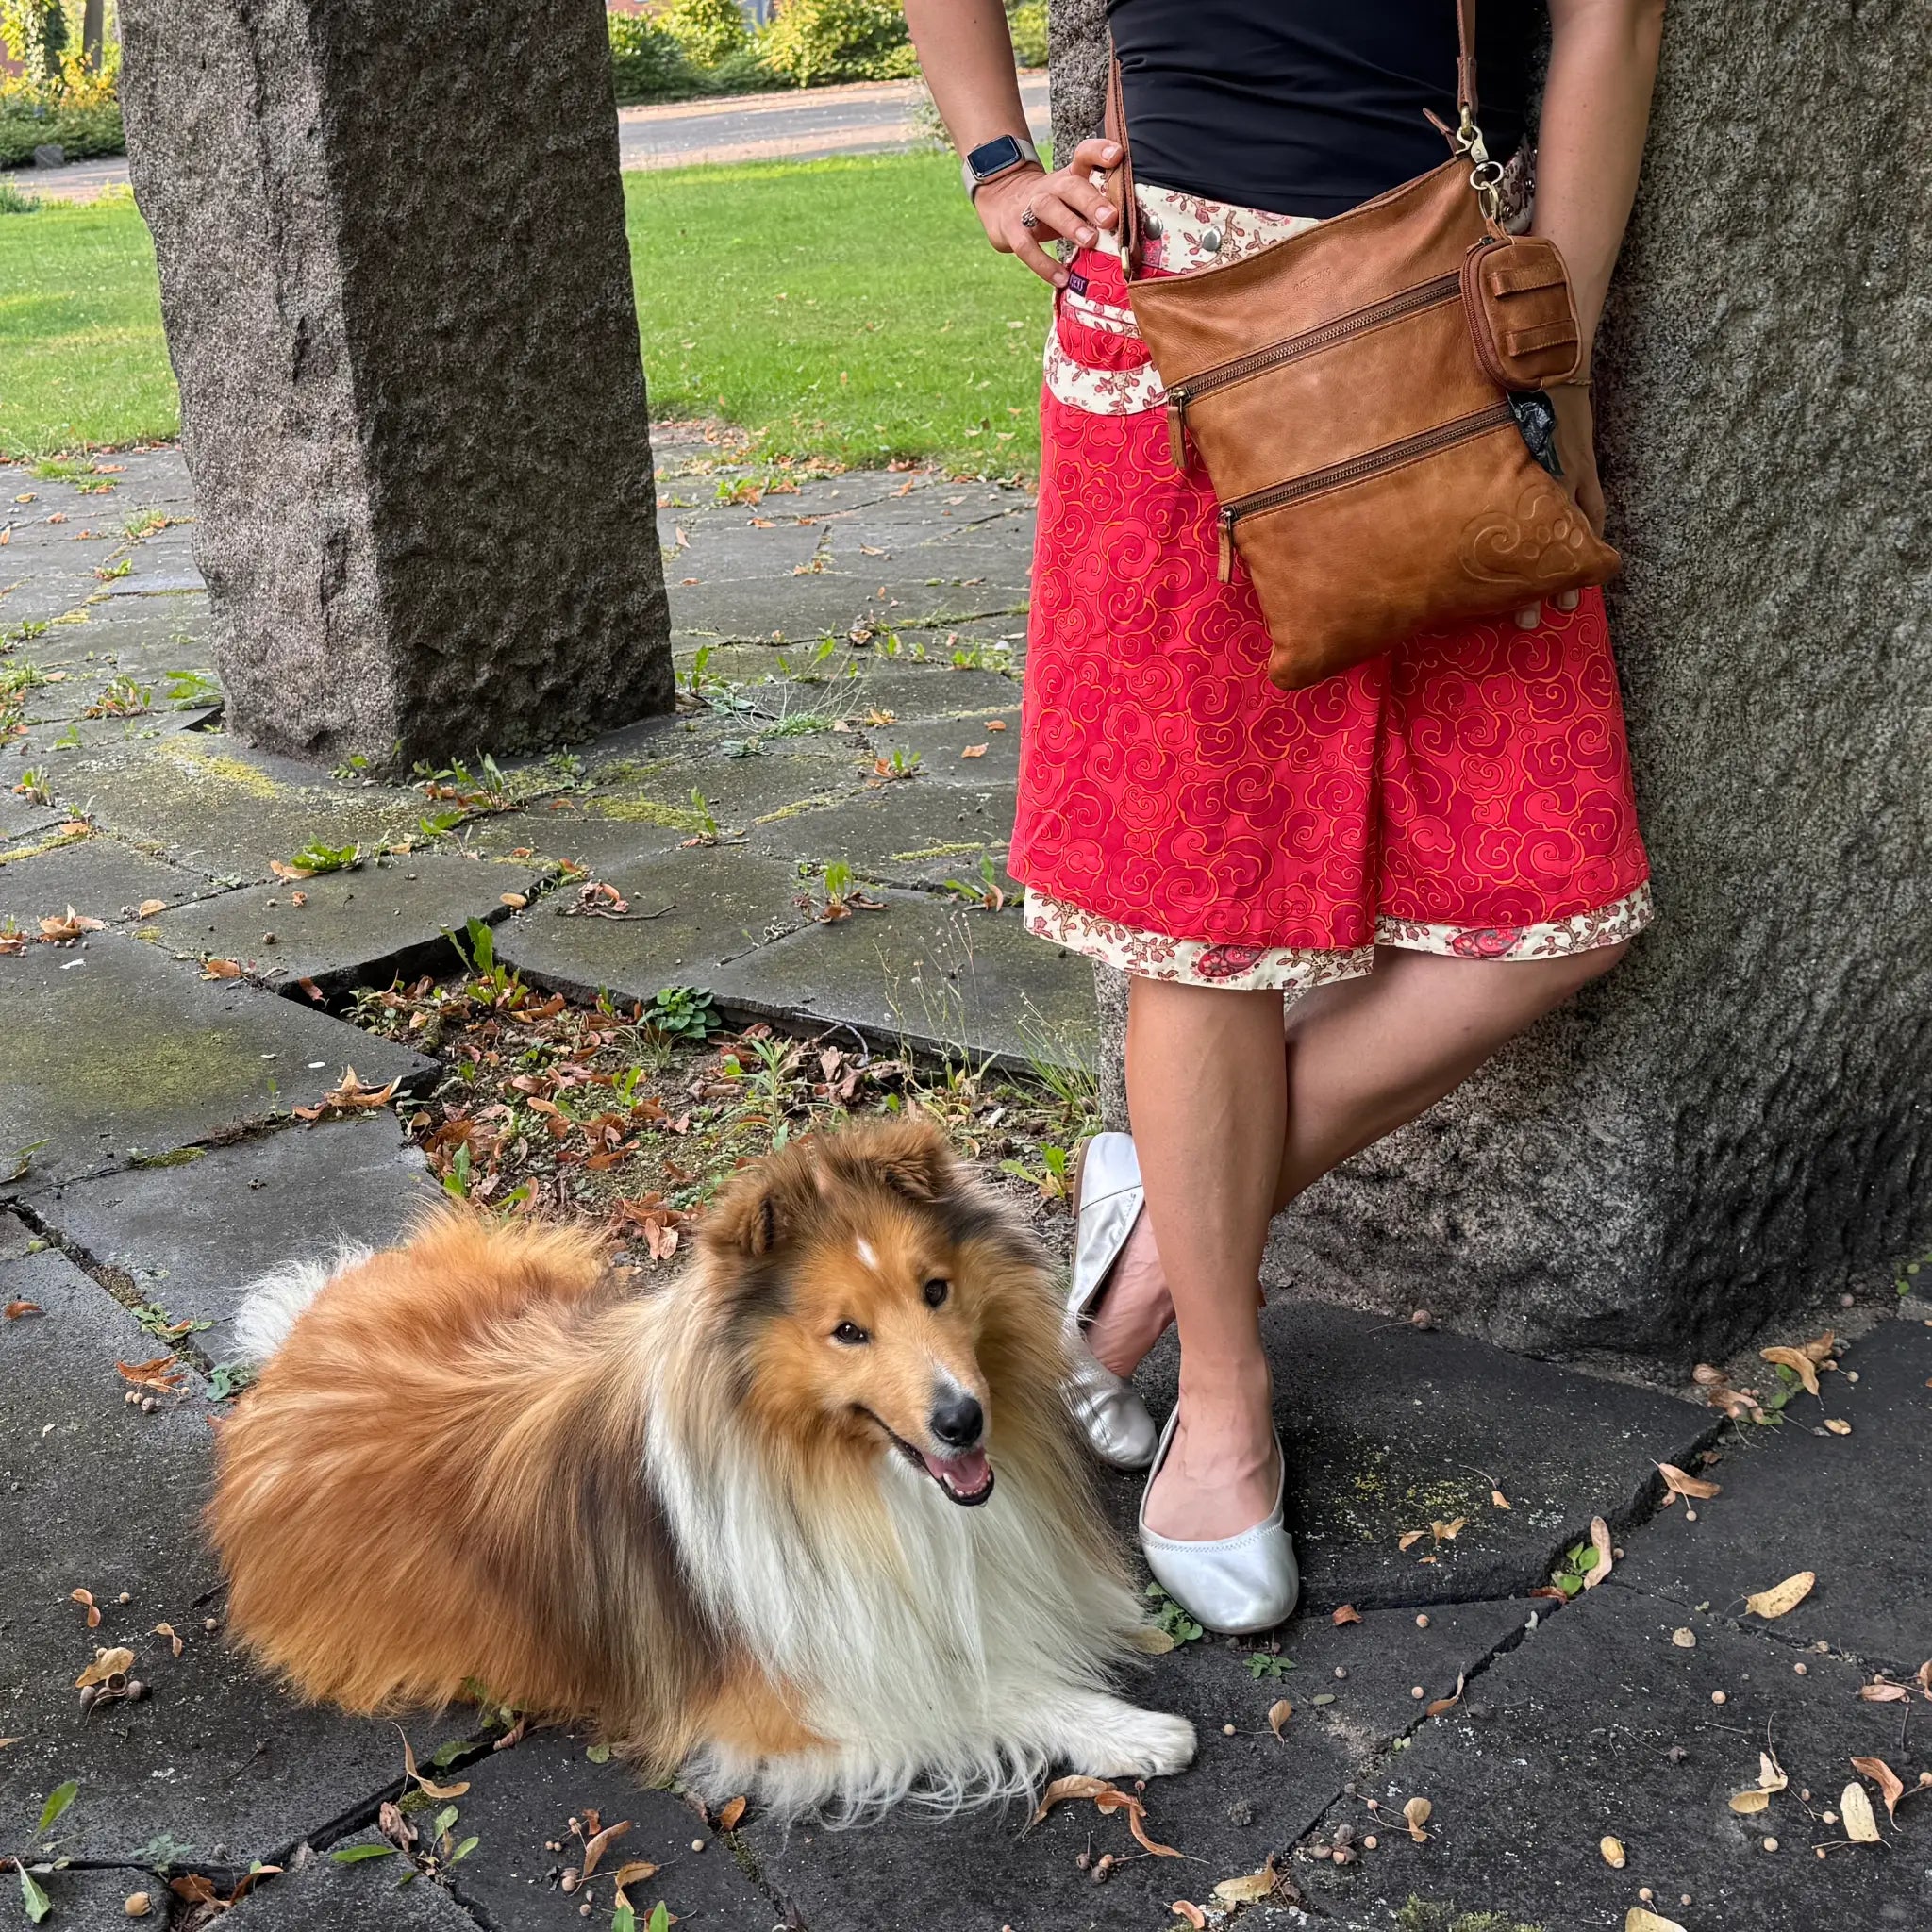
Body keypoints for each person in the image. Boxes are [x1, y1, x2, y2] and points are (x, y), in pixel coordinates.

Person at [901, 0, 1666, 1631]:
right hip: (1175, 307)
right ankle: (1225, 1407)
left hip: (1433, 319)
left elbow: (1614, 18)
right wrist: (991, 156)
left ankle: (1147, 1265)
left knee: (1553, 920)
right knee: (1205, 916)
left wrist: (1555, 349)